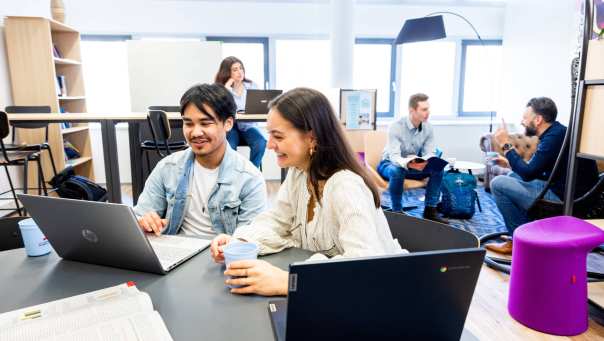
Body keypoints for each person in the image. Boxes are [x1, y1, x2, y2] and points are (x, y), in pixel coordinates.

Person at [209, 87, 403, 296]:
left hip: (378, 299)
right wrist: (242, 241)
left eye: (278, 136)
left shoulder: (345, 187)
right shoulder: (300, 172)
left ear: (312, 138)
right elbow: (278, 220)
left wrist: (288, 281)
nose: (270, 145)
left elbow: (364, 266)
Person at [133, 83, 267, 238]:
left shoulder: (250, 179)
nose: (195, 132)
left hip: (221, 257)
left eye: (205, 123)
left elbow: (248, 240)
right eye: (188, 123)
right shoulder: (167, 168)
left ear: (228, 123)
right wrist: (145, 221)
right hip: (174, 252)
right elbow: (139, 215)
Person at [486, 97, 599, 254]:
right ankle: (523, 235)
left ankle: (523, 243)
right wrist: (509, 162)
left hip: (566, 198)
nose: (522, 121)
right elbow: (534, 170)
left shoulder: (554, 137)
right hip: (560, 188)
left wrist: (506, 144)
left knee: (498, 183)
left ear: (538, 119)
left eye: (525, 118)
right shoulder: (557, 133)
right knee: (512, 176)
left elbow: (529, 173)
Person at [376, 93, 447, 224]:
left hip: (413, 165)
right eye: (424, 109)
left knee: (438, 169)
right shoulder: (396, 126)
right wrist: (408, 163)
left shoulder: (428, 128)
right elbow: (394, 157)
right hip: (389, 164)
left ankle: (430, 209)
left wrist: (426, 161)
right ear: (412, 110)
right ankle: (397, 211)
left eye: (428, 109)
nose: (428, 113)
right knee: (398, 170)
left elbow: (429, 152)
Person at [215, 56, 267, 169]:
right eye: (235, 69)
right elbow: (219, 107)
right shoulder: (222, 88)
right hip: (231, 127)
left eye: (241, 68)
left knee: (261, 142)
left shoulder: (252, 86)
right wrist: (227, 87)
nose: (240, 72)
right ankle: (231, 175)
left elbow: (258, 107)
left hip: (248, 126)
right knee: (230, 146)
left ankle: (251, 172)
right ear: (227, 72)